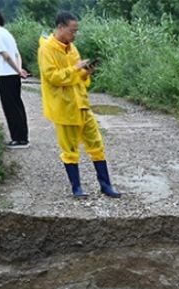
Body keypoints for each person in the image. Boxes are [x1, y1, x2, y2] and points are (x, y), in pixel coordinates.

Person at [38, 10, 121, 198]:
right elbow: (52, 77)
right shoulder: (46, 49)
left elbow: (78, 77)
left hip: (81, 104)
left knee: (96, 143)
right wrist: (75, 68)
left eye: (76, 31)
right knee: (70, 149)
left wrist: (85, 72)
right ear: (60, 27)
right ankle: (77, 188)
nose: (74, 35)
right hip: (63, 108)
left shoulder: (72, 48)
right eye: (72, 31)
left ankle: (106, 185)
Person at [0, 5, 29, 148]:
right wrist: (19, 69)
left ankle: (18, 139)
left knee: (10, 107)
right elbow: (16, 54)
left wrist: (18, 70)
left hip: (5, 74)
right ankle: (22, 137)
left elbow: (6, 55)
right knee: (17, 105)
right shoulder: (6, 32)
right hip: (12, 74)